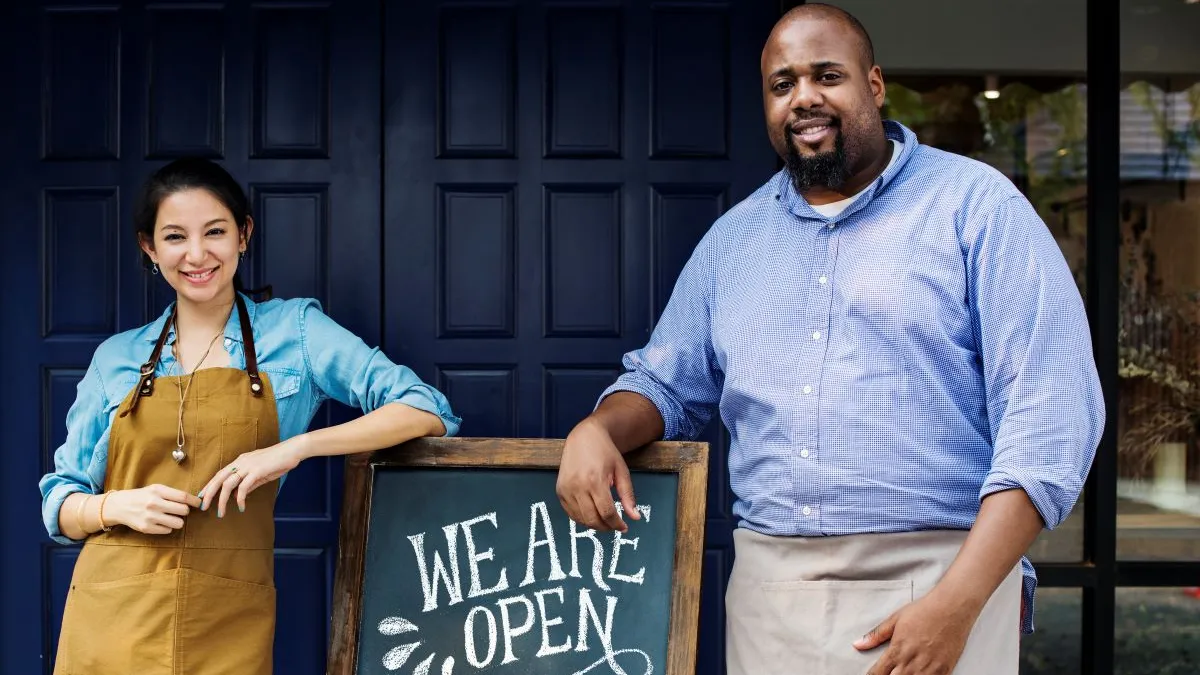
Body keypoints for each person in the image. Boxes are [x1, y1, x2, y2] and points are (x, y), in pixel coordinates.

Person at [555, 4, 1103, 675]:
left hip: (939, 584)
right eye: (782, 84)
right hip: (770, 597)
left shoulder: (977, 209)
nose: (804, 98)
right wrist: (599, 428)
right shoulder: (734, 241)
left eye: (826, 75)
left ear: (874, 85)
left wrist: (958, 600)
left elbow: (1051, 420)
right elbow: (666, 384)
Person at [39, 157, 461, 674]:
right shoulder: (116, 359)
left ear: (243, 234)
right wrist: (117, 508)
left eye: (215, 232)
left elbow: (426, 409)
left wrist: (295, 449)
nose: (197, 254)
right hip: (111, 617)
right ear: (150, 248)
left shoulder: (295, 333)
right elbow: (60, 501)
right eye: (175, 237)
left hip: (227, 617)